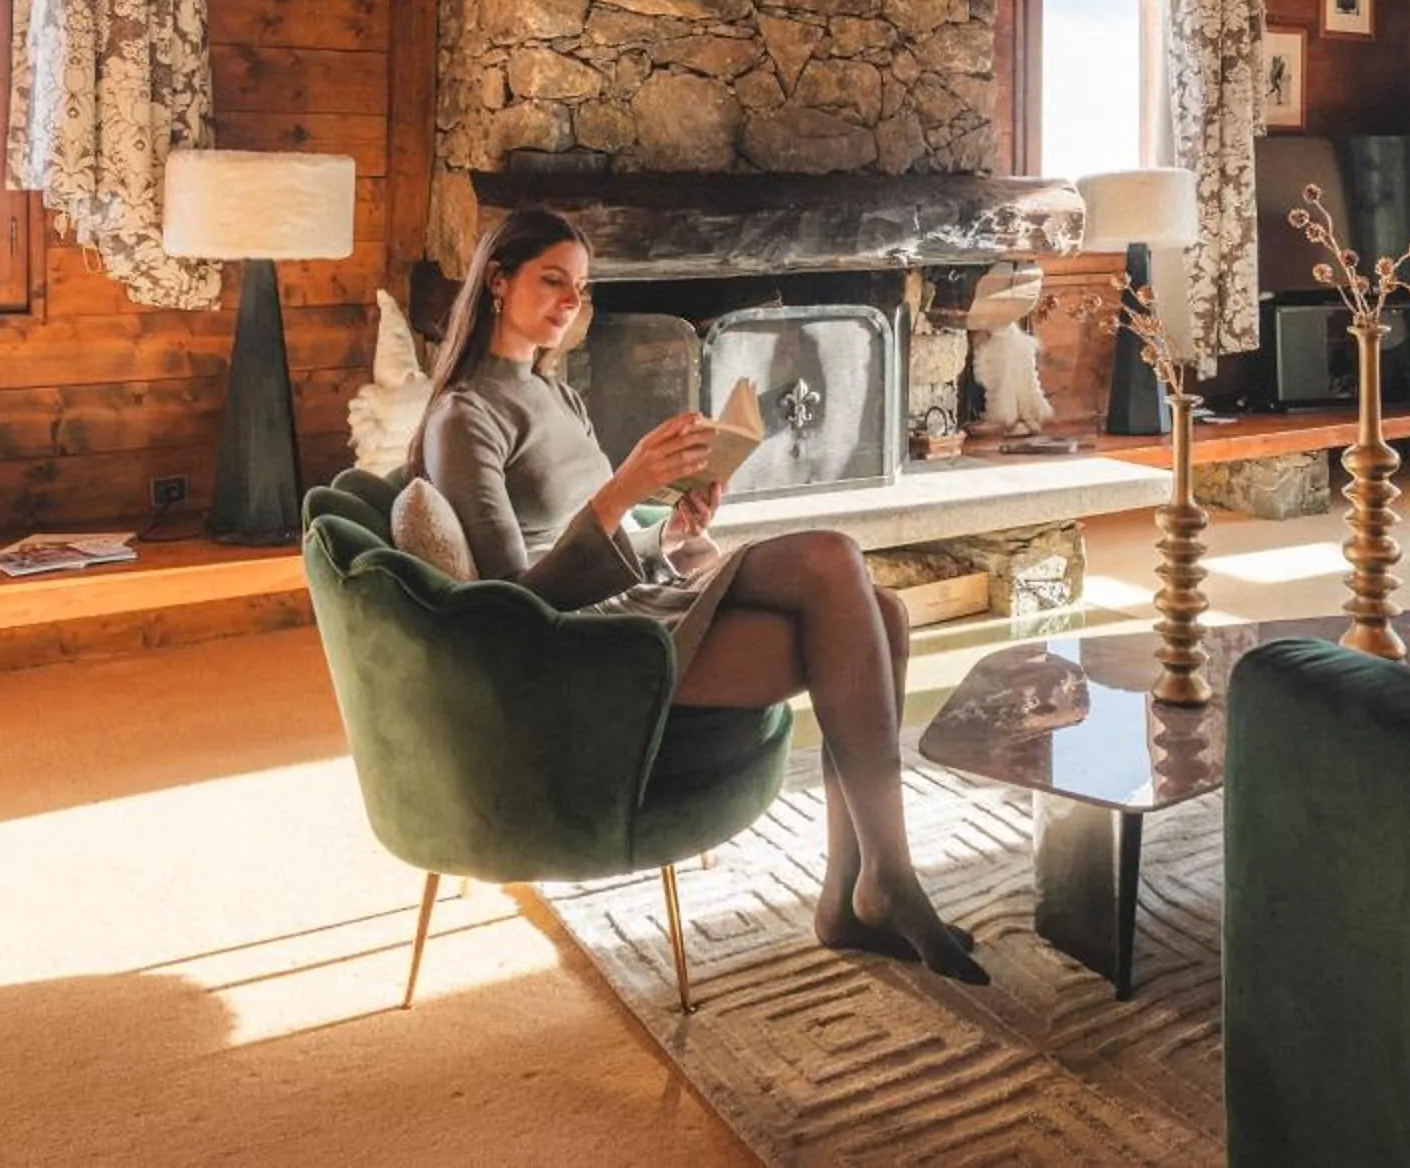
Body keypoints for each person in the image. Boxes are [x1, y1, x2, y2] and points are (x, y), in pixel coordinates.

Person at [409, 208, 987, 985]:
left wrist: (671, 530)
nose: (568, 302)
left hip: (637, 601)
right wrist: (626, 487)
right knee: (831, 558)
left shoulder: (558, 395)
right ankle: (892, 876)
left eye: (579, 288)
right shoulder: (464, 416)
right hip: (581, 648)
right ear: (497, 280)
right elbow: (511, 602)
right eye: (551, 280)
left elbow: (612, 543)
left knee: (882, 611)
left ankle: (851, 900)